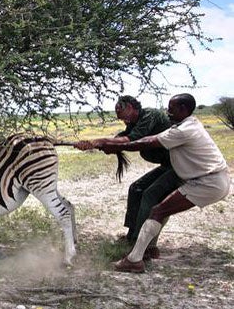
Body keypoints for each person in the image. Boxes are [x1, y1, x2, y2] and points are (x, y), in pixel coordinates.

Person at [97, 93, 231, 273]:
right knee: (157, 205)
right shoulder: (185, 125)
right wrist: (106, 143)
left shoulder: (183, 130)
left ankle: (136, 258)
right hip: (205, 179)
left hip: (208, 182)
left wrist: (115, 146)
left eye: (171, 108)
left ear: (184, 109)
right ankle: (146, 248)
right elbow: (133, 136)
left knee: (158, 209)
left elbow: (147, 142)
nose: (167, 112)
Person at [75, 96, 179, 253]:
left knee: (149, 195)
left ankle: (140, 242)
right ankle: (131, 234)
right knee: (136, 188)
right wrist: (97, 144)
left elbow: (133, 139)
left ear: (130, 107)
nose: (124, 121)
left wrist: (102, 141)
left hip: (178, 166)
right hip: (167, 165)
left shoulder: (149, 115)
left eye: (123, 115)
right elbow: (124, 136)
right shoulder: (135, 122)